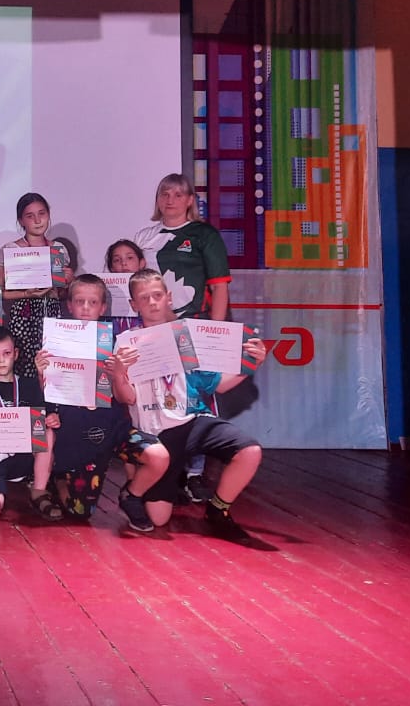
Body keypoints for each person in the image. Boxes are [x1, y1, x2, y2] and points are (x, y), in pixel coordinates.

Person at [113, 268, 267, 543]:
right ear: (134, 304)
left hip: (192, 422)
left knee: (250, 451)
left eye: (157, 295)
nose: (152, 302)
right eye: (144, 298)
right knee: (159, 518)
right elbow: (127, 398)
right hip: (156, 433)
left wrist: (250, 364)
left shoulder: (187, 338)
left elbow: (218, 385)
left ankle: (218, 510)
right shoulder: (127, 344)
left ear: (169, 298)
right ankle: (136, 487)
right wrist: (118, 373)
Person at [32, 273, 168, 532]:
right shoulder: (55, 341)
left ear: (103, 307)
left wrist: (118, 372)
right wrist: (41, 373)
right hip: (77, 432)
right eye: (79, 301)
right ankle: (59, 478)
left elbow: (122, 396)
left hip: (112, 427)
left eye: (92, 302)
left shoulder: (117, 343)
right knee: (80, 512)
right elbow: (49, 393)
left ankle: (131, 495)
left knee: (158, 456)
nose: (85, 308)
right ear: (69, 305)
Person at [134, 173, 233, 503]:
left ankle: (195, 473)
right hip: (154, 332)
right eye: (165, 193)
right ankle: (166, 465)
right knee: (161, 396)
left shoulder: (204, 235)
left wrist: (216, 333)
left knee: (196, 397)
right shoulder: (145, 236)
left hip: (192, 328)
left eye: (179, 194)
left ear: (190, 200)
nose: (171, 200)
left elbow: (219, 287)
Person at [0, 326, 61, 520]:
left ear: (15, 354)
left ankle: (38, 491)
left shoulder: (29, 386)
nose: (1, 360)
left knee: (48, 432)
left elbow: (42, 420)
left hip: (23, 456)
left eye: (6, 353)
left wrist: (51, 418)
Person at [0, 192, 72, 379]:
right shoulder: (12, 250)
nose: (37, 220)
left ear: (48, 215)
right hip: (23, 317)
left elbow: (62, 294)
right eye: (30, 216)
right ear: (21, 221)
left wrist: (69, 280)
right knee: (24, 370)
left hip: (52, 314)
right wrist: (25, 294)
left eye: (42, 213)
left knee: (52, 370)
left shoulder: (58, 249)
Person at [103, 239, 146, 336]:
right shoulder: (103, 291)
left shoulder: (153, 288)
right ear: (111, 267)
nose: (123, 263)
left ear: (141, 263)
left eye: (130, 258)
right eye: (117, 260)